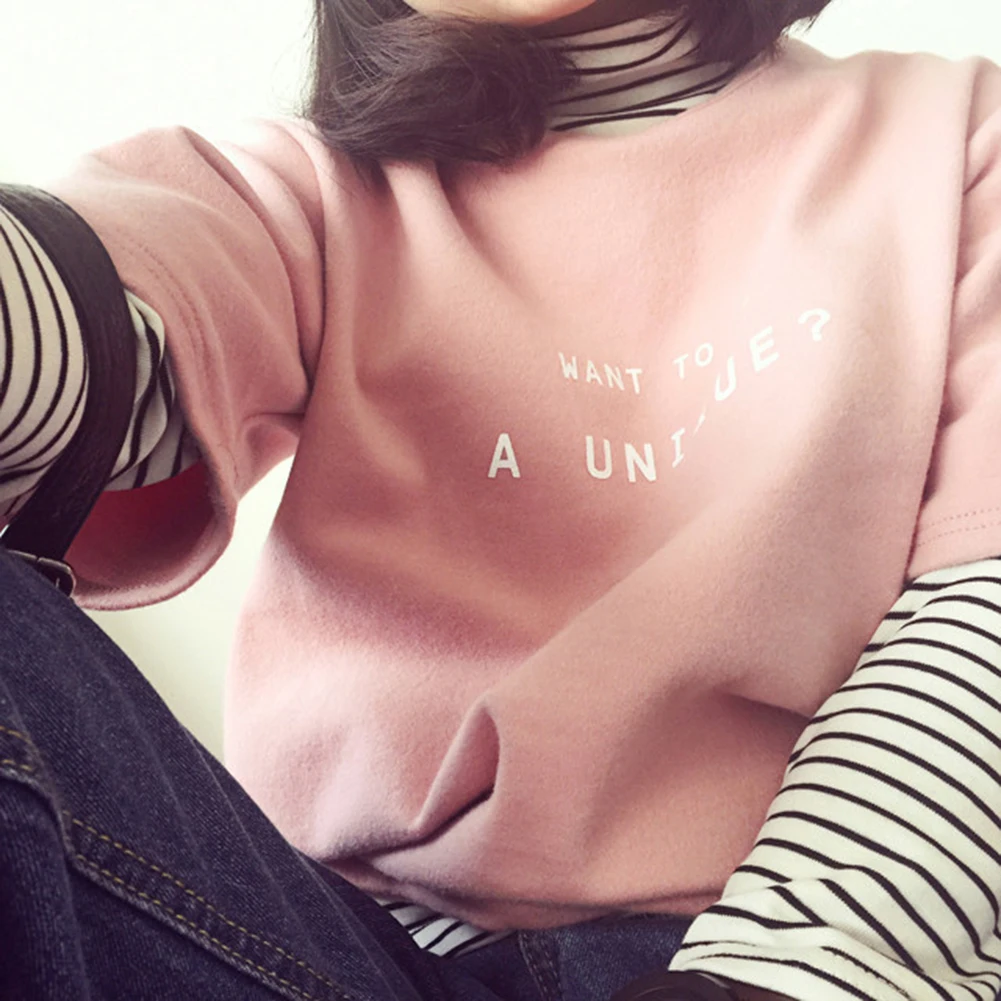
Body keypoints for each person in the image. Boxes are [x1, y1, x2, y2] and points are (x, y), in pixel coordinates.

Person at [1, 0, 1000, 999]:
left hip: (778, 951)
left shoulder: (955, 144)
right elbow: (92, 327)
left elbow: (978, 613)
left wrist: (781, 975)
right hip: (329, 947)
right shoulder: (304, 196)